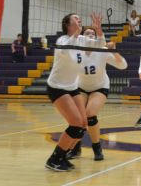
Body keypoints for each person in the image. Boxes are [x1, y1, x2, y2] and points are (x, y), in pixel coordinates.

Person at [45, 12, 105, 172]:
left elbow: (100, 44)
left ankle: (63, 155)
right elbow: (66, 49)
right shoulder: (62, 40)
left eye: (80, 18)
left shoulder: (81, 39)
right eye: (76, 19)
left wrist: (99, 30)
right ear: (68, 24)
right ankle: (54, 159)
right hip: (57, 87)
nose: (79, 20)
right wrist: (78, 34)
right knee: (75, 123)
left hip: (72, 87)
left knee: (83, 124)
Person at [67, 28, 128, 161]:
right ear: (82, 37)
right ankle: (76, 148)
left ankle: (97, 148)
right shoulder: (76, 51)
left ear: (96, 37)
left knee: (90, 115)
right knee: (78, 119)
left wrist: (114, 51)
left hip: (99, 87)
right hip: (81, 87)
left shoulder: (102, 50)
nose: (90, 35)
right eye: (87, 33)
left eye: (93, 34)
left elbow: (123, 65)